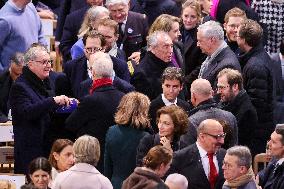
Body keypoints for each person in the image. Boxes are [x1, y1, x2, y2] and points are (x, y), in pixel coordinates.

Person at [9, 44, 74, 175]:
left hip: (46, 146)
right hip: (30, 151)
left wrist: (67, 104)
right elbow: (27, 112)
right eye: (44, 62)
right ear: (30, 64)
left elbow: (47, 110)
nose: (49, 65)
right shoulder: (20, 86)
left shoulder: (46, 82)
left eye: (49, 61)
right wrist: (53, 101)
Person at [65, 52, 125, 172]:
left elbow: (70, 124)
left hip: (94, 158)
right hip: (118, 156)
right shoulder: (123, 98)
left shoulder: (90, 100)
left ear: (92, 73)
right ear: (111, 73)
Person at [237, 19, 275, 155]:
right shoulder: (256, 58)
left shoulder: (255, 66)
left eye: (237, 35)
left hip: (257, 130)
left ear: (244, 40)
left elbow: (256, 103)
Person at [104, 92, 151, 189]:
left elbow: (107, 166)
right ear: (144, 111)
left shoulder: (111, 131)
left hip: (115, 184)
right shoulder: (146, 137)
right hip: (137, 185)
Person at [63, 30, 130, 99]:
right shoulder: (71, 67)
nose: (92, 52)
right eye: (88, 49)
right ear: (84, 49)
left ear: (104, 49)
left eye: (96, 49)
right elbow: (67, 95)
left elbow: (127, 92)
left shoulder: (120, 66)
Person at [169, 119, 226, 189]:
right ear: (202, 137)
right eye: (217, 137)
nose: (222, 141)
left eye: (222, 136)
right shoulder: (180, 158)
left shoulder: (225, 155)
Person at [180, 78, 238, 148]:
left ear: (193, 96)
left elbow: (188, 153)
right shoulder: (230, 117)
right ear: (212, 93)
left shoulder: (191, 122)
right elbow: (234, 149)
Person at [217, 68, 257, 155]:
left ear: (235, 87)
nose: (219, 91)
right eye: (218, 87)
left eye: (222, 88)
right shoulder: (226, 103)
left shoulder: (247, 112)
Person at [0, 0, 46, 71]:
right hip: (14, 79)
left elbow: (40, 35)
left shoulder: (30, 7)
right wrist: (5, 76)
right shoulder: (4, 20)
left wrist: (44, 58)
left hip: (34, 75)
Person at [197, 20, 241, 89]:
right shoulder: (212, 55)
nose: (198, 44)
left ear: (212, 40)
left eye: (200, 41)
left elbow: (219, 96)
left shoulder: (227, 65)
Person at [131, 31, 174, 100]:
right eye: (166, 46)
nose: (171, 50)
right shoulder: (141, 74)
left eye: (171, 46)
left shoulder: (168, 63)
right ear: (153, 48)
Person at [149, 67, 191, 133]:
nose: (171, 90)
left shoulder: (186, 107)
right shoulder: (151, 107)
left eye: (175, 86)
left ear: (181, 87)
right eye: (167, 86)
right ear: (162, 85)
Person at [180, 0, 206, 87]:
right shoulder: (176, 30)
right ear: (181, 15)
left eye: (193, 17)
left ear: (198, 18)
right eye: (186, 16)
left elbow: (201, 65)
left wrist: (185, 81)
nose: (188, 20)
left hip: (189, 83)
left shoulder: (201, 35)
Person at [257, 124, 284, 189]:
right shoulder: (275, 159)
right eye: (270, 139)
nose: (268, 144)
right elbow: (262, 176)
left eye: (274, 142)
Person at [0, 52, 24, 122]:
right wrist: (5, 121)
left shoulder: (30, 78)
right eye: (16, 74)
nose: (18, 78)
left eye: (21, 74)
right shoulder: (1, 78)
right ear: (10, 66)